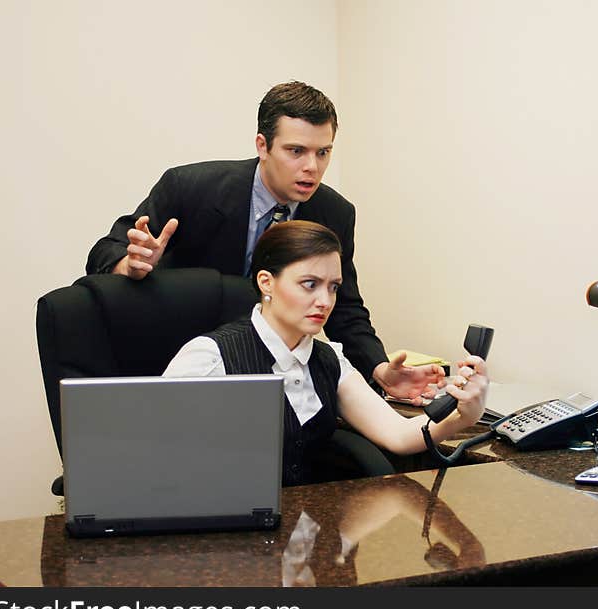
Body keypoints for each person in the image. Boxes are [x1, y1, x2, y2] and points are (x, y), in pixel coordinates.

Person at [86, 80, 439, 402]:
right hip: (192, 370)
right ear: (262, 146)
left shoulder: (335, 212)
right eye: (296, 151)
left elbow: (345, 310)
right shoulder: (190, 188)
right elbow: (105, 251)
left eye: (323, 152)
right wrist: (130, 263)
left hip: (279, 380)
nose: (312, 167)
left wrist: (380, 369)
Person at [163, 220, 489, 488]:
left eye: (333, 287)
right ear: (267, 283)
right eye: (310, 284)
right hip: (232, 535)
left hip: (310, 534)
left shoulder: (328, 359)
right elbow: (159, 461)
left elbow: (398, 434)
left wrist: (464, 416)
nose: (325, 300)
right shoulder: (210, 357)